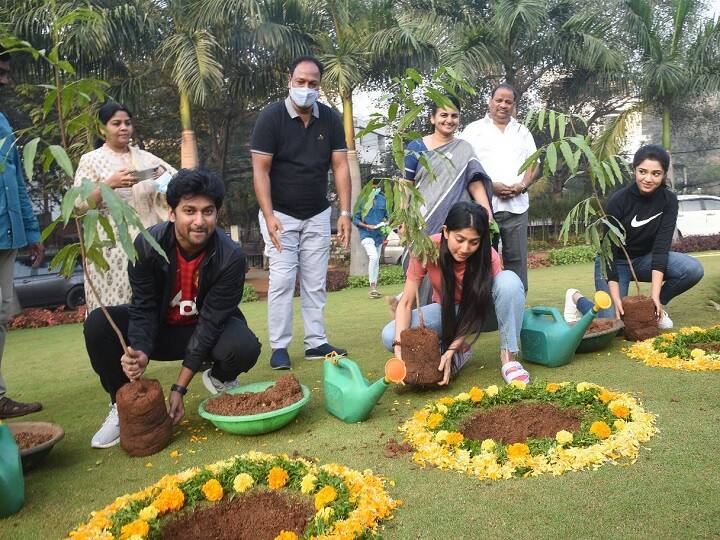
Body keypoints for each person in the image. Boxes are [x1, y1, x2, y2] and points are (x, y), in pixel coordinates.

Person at [84, 169, 261, 448]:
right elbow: (143, 307)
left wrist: (179, 388)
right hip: (160, 330)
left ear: (217, 213)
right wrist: (140, 351)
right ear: (172, 212)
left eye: (208, 211)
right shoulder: (146, 245)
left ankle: (220, 377)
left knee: (243, 346)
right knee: (99, 323)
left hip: (200, 331)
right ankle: (123, 406)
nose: (199, 221)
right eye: (189, 210)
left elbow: (211, 323)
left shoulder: (231, 257)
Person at [251, 55, 352, 370]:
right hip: (280, 214)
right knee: (282, 280)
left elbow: (339, 165)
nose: (306, 89)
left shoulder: (331, 119)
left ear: (320, 86)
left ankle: (315, 343)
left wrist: (345, 212)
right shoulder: (271, 118)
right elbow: (260, 170)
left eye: (313, 84)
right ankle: (279, 347)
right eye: (301, 82)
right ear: (290, 82)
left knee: (314, 280)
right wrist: (268, 216)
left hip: (318, 214)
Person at [381, 202, 529, 386]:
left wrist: (452, 348)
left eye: (474, 242)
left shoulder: (487, 256)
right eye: (460, 239)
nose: (466, 248)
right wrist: (399, 348)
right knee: (389, 335)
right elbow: (406, 302)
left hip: (483, 313)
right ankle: (459, 351)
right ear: (445, 231)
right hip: (448, 314)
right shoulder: (426, 249)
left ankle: (509, 359)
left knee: (510, 281)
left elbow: (479, 307)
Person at [563, 144, 704, 328]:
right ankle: (576, 298)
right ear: (634, 170)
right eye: (642, 171)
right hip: (615, 262)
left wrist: (654, 298)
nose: (648, 178)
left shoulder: (668, 200)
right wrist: (615, 298)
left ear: (663, 175)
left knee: (693, 269)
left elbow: (661, 249)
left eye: (656, 174)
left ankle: (653, 309)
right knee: (615, 323)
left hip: (645, 260)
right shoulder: (619, 201)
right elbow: (610, 253)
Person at [74, 102, 177, 313]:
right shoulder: (91, 161)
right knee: (115, 309)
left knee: (151, 305)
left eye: (127, 123)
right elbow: (79, 205)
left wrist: (162, 179)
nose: (123, 128)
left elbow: (179, 184)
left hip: (148, 245)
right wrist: (109, 184)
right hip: (110, 250)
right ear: (102, 128)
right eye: (116, 123)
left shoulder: (147, 159)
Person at [459, 83, 538, 291]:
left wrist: (522, 184)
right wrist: (489, 185)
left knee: (517, 261)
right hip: (484, 208)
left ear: (514, 105)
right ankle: (482, 311)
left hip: (517, 207)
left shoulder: (522, 131)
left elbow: (534, 163)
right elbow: (463, 164)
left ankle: (517, 309)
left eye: (508, 102)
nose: (503, 105)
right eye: (499, 100)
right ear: (490, 101)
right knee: (482, 260)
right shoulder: (473, 130)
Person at [0, 46, 44, 419]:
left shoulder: (2, 122)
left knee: (0, 314)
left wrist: (31, 230)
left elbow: (15, 182)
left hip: (5, 235)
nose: (5, 79)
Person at [404, 95, 493, 234]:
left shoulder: (465, 149)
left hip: (459, 222)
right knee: (422, 255)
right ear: (432, 118)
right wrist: (403, 220)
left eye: (454, 116)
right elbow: (406, 185)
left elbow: (475, 185)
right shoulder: (416, 147)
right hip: (422, 220)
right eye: (444, 115)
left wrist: (487, 214)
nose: (449, 120)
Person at [353, 187, 388, 298]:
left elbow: (388, 216)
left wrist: (386, 223)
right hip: (366, 234)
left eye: (377, 186)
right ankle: (372, 287)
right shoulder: (362, 200)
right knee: (373, 257)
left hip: (379, 235)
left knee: (376, 260)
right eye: (373, 186)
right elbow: (355, 219)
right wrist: (367, 226)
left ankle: (374, 287)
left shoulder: (383, 199)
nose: (376, 188)